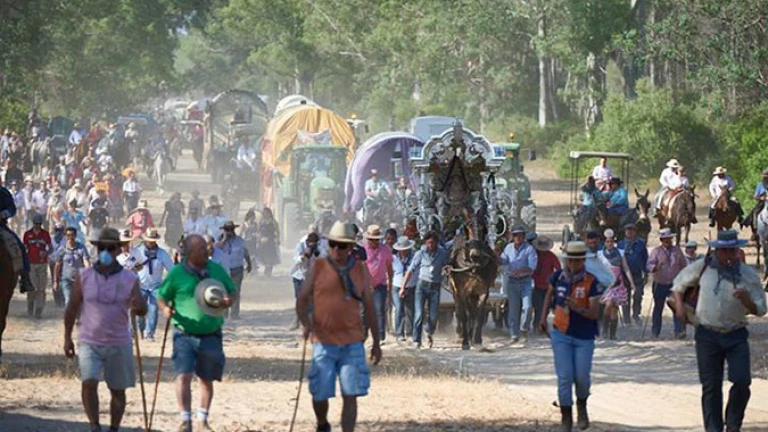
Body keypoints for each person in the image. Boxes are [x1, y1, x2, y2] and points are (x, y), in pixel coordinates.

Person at [672, 230, 767, 432]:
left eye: (732, 250)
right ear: (716, 251)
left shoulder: (748, 275)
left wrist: (746, 300)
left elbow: (761, 309)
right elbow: (679, 284)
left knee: (742, 381)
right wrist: (679, 306)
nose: (728, 255)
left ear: (737, 250)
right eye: (724, 251)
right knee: (711, 386)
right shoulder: (703, 267)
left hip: (736, 333)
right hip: (707, 334)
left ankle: (733, 423)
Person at [296, 221, 382, 432]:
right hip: (323, 341)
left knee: (350, 393)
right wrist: (306, 323)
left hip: (352, 342)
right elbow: (302, 299)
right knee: (320, 392)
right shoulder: (318, 267)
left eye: (342, 246)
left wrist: (376, 342)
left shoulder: (360, 269)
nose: (336, 250)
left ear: (351, 247)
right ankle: (322, 424)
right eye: (333, 244)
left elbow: (370, 307)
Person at [63, 227, 147, 432]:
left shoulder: (130, 278)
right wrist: (67, 337)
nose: (106, 252)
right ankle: (94, 425)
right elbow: (72, 307)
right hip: (89, 341)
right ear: (97, 249)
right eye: (102, 248)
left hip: (119, 341)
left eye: (110, 248)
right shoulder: (84, 276)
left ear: (118, 249)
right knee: (89, 382)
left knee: (117, 390)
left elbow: (142, 308)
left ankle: (114, 428)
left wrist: (138, 307)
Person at [157, 234, 236, 432]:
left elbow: (231, 290)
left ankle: (203, 419)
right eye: (201, 249)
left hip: (211, 333)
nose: (206, 251)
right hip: (184, 333)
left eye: (206, 248)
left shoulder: (216, 269)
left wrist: (229, 300)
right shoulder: (176, 273)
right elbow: (162, 296)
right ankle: (185, 420)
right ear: (190, 253)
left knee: (206, 378)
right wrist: (165, 309)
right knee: (183, 375)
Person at [539, 241, 602, 432]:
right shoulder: (557, 277)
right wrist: (543, 318)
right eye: (571, 261)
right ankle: (566, 418)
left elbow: (594, 313)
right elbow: (549, 295)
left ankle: (582, 406)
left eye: (577, 261)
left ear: (583, 260)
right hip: (561, 334)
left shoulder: (592, 282)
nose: (573, 264)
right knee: (565, 377)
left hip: (584, 336)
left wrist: (577, 307)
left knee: (581, 377)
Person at [399, 231, 449, 349]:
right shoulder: (420, 253)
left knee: (433, 315)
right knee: (419, 314)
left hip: (435, 287)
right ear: (425, 243)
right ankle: (416, 340)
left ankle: (428, 331)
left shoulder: (442, 253)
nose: (430, 245)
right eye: (428, 242)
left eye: (433, 242)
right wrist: (402, 287)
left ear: (436, 243)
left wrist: (446, 272)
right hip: (422, 286)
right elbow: (410, 270)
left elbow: (446, 266)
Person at [133, 228, 174, 341]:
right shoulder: (137, 252)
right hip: (140, 285)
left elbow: (171, 269)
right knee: (139, 311)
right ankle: (140, 330)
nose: (151, 242)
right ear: (145, 239)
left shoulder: (162, 253)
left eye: (153, 240)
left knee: (153, 309)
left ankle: (149, 334)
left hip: (156, 286)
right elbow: (130, 266)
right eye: (149, 240)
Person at [646, 228, 687, 339]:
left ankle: (679, 331)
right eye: (665, 239)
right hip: (659, 283)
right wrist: (656, 267)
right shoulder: (656, 251)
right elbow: (648, 266)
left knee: (676, 306)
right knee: (658, 308)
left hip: (674, 284)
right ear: (661, 240)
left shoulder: (677, 251)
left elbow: (683, 265)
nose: (668, 241)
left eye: (669, 238)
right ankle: (655, 331)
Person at [500, 226, 538, 342]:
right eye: (515, 235)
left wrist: (519, 271)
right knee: (513, 309)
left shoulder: (529, 249)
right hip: (512, 281)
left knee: (527, 307)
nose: (518, 237)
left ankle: (524, 329)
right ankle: (514, 334)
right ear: (513, 236)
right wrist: (496, 256)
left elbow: (532, 266)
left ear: (523, 236)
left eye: (520, 235)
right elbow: (503, 261)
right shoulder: (508, 248)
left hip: (525, 281)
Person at [597, 229, 636, 340]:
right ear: (604, 242)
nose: (609, 243)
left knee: (614, 307)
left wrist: (632, 283)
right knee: (608, 303)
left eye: (611, 241)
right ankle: (605, 329)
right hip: (606, 283)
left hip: (618, 282)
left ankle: (612, 333)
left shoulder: (620, 252)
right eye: (607, 241)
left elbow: (626, 268)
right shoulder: (600, 254)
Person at [1, 182, 35, 292]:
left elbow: (12, 208)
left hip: (0, 225)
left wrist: (3, 214)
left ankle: (25, 277)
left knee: (19, 245)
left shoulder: (3, 192)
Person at [362, 225, 393, 343]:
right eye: (371, 239)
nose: (373, 242)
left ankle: (380, 336)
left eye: (375, 239)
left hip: (380, 284)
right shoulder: (363, 250)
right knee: (364, 311)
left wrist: (390, 281)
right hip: (365, 285)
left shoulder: (385, 250)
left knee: (379, 310)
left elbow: (389, 266)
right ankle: (363, 334)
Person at [217, 221, 252, 319]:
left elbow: (245, 252)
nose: (229, 232)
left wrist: (249, 263)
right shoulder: (219, 240)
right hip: (224, 270)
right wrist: (224, 239)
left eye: (231, 229)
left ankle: (234, 314)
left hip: (237, 269)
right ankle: (224, 313)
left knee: (235, 291)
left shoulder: (239, 240)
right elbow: (216, 249)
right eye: (227, 230)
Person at [617, 223, 648, 325]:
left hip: (637, 273)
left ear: (635, 231)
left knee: (638, 295)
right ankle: (626, 319)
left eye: (632, 230)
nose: (629, 232)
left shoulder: (640, 244)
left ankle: (636, 314)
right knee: (625, 297)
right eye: (628, 230)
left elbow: (645, 258)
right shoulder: (621, 244)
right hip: (624, 274)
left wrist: (646, 272)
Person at [290, 231, 321, 330]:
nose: (312, 245)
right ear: (307, 241)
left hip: (312, 276)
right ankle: (297, 319)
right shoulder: (301, 245)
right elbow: (295, 258)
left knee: (311, 300)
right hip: (299, 275)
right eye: (310, 243)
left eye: (314, 244)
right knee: (299, 299)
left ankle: (309, 323)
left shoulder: (319, 247)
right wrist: (303, 257)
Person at [23, 214, 52, 318]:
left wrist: (46, 252)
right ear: (33, 223)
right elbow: (24, 248)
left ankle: (39, 309)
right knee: (32, 288)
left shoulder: (45, 234)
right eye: (36, 224)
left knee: (41, 288)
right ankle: (30, 305)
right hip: (31, 264)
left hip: (42, 264)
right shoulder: (27, 234)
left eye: (39, 224)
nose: (37, 226)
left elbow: (50, 248)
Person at [54, 227, 91, 307]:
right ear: (65, 236)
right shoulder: (62, 249)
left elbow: (86, 262)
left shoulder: (81, 247)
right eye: (68, 235)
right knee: (68, 300)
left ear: (75, 236)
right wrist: (56, 281)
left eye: (72, 235)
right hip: (66, 279)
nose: (70, 237)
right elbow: (57, 265)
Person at [531, 235, 561, 333]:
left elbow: (558, 269)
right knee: (538, 306)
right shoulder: (533, 255)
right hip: (536, 285)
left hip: (547, 287)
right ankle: (537, 324)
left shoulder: (551, 256)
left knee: (545, 307)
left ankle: (541, 325)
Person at [392, 235, 416, 342]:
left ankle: (409, 332)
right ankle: (399, 333)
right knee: (399, 308)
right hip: (397, 286)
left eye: (405, 249)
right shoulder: (393, 258)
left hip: (411, 286)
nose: (403, 251)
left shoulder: (414, 256)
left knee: (410, 310)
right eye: (402, 249)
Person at [257, 207, 280, 277]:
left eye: (266, 213)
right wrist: (259, 238)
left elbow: (277, 232)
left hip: (271, 241)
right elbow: (259, 231)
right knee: (263, 255)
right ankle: (266, 268)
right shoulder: (261, 221)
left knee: (271, 256)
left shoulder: (273, 222)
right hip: (263, 242)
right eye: (264, 213)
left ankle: (269, 270)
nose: (265, 214)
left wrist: (277, 240)